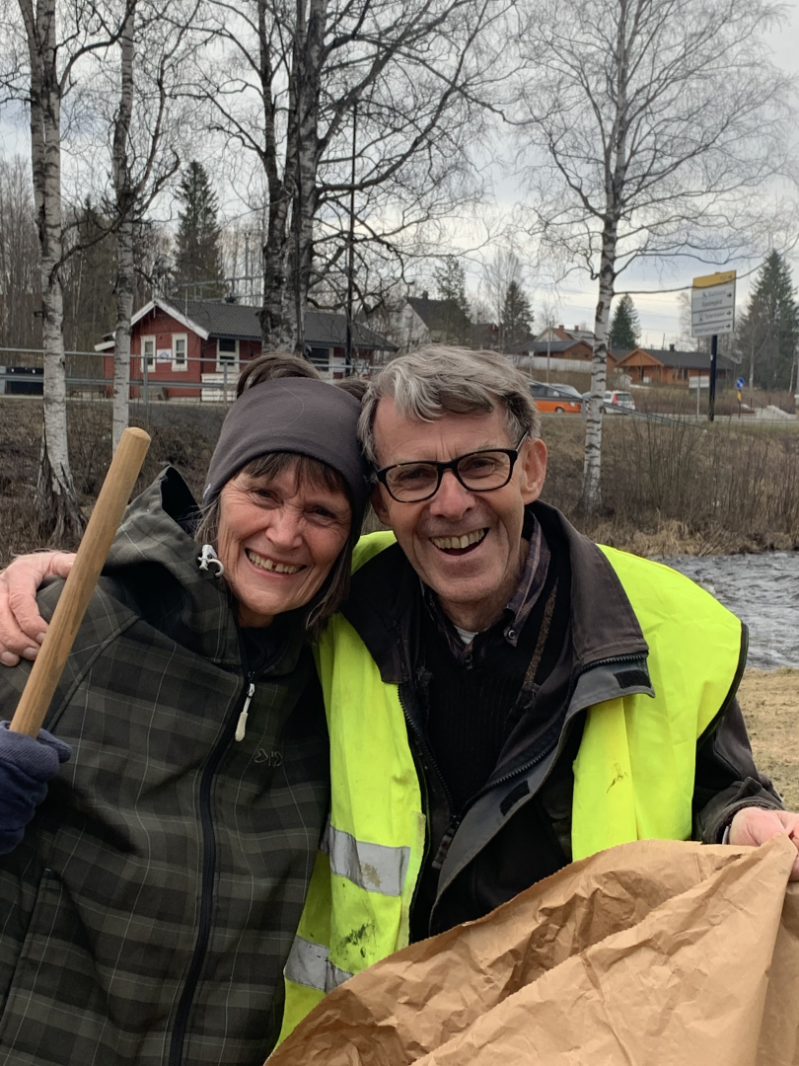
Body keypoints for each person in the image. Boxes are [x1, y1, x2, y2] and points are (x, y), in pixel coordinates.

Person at [3, 348, 799, 1041]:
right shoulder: (334, 611)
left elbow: (719, 789)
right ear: (382, 501)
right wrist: (71, 579)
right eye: (415, 475)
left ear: (530, 468)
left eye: (479, 465)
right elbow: (209, 584)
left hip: (578, 1037)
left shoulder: (665, 630)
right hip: (377, 1038)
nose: (450, 504)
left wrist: (742, 823)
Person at [0, 362, 369, 1065]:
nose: (285, 533)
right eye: (262, 494)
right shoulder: (71, 625)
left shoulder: (335, 682)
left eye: (322, 513)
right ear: (217, 494)